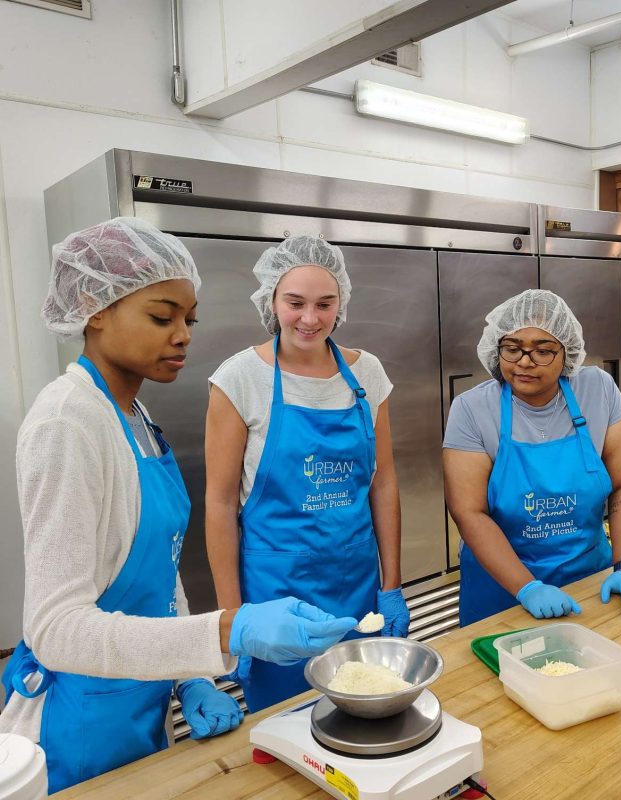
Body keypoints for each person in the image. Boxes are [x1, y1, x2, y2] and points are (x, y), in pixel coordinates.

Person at [0, 219, 355, 795]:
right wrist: (223, 631)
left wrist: (188, 675)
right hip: (79, 721)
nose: (183, 335)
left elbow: (159, 572)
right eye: (162, 317)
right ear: (94, 307)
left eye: (189, 319)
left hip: (140, 695)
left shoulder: (135, 419)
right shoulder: (69, 422)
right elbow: (57, 627)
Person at [205, 235, 408, 712]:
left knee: (364, 705)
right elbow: (219, 503)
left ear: (342, 305)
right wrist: (233, 619)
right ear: (272, 302)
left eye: (325, 303)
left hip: (356, 580)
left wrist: (393, 585)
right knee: (287, 724)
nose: (310, 318)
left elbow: (384, 482)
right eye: (295, 303)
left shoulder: (368, 374)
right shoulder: (239, 378)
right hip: (275, 592)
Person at [443, 289, 621, 627]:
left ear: (567, 353)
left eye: (542, 351)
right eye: (512, 349)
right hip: (502, 592)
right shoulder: (472, 409)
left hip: (590, 582)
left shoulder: (597, 390)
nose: (524, 362)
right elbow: (468, 511)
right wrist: (527, 588)